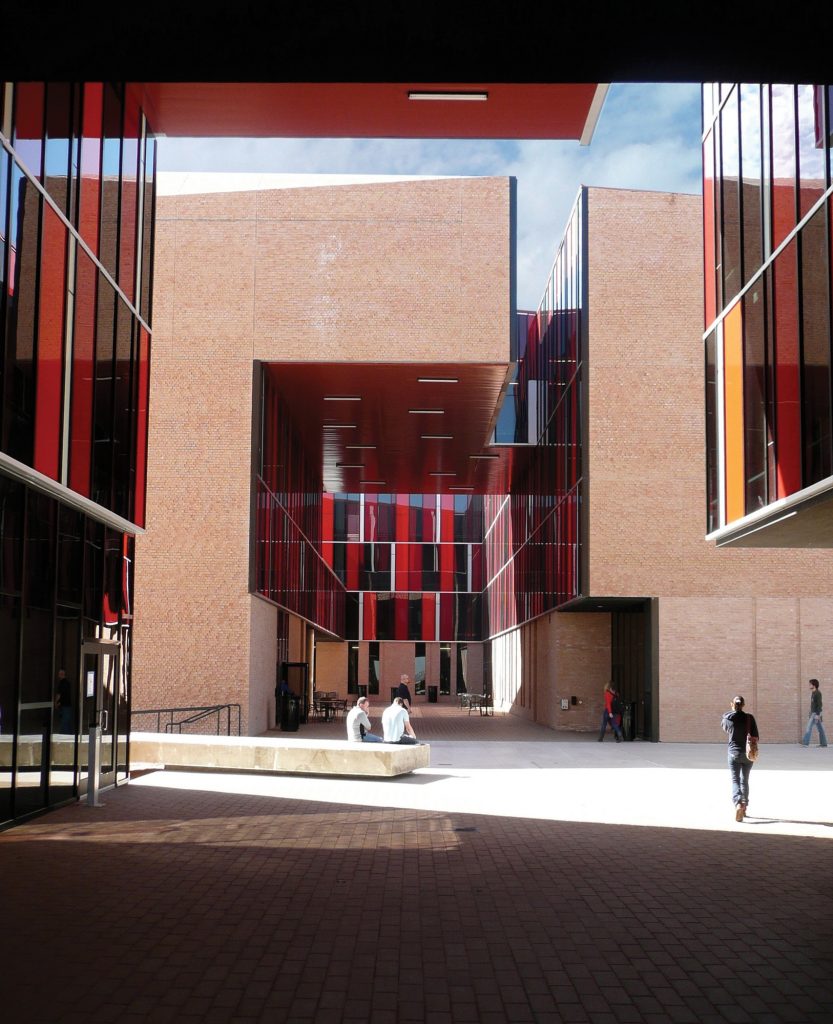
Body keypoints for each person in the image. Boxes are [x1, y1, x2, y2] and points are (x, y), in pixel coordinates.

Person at [721, 695, 759, 822]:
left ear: (732, 704)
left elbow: (724, 726)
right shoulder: (750, 718)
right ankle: (745, 806)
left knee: (735, 780)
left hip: (733, 754)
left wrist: (732, 710)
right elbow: (756, 737)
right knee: (745, 780)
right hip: (748, 754)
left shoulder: (728, 718)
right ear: (743, 705)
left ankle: (738, 803)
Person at [801, 678, 828, 747]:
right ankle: (824, 744)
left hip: (816, 714)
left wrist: (818, 715)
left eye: (810, 684)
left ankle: (805, 743)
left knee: (808, 728)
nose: (809, 685)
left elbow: (819, 704)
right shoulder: (813, 693)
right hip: (813, 713)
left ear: (814, 685)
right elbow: (814, 704)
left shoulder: (818, 693)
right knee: (820, 729)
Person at [55, 668, 73, 734]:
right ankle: (69, 736)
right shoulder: (68, 683)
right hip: (68, 705)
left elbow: (59, 695)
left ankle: (64, 737)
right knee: (67, 723)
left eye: (59, 674)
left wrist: (56, 703)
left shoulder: (61, 683)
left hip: (64, 706)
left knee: (64, 723)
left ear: (61, 674)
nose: (58, 675)